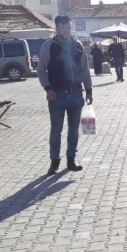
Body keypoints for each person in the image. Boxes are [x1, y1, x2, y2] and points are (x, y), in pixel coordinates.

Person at [37, 15, 93, 176]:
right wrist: (47, 88)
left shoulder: (78, 45)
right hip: (57, 96)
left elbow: (84, 69)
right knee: (56, 130)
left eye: (68, 27)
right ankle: (54, 162)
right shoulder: (49, 46)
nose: (66, 30)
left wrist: (88, 90)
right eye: (63, 28)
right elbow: (41, 70)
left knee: (73, 130)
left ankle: (71, 159)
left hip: (76, 93)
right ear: (57, 29)